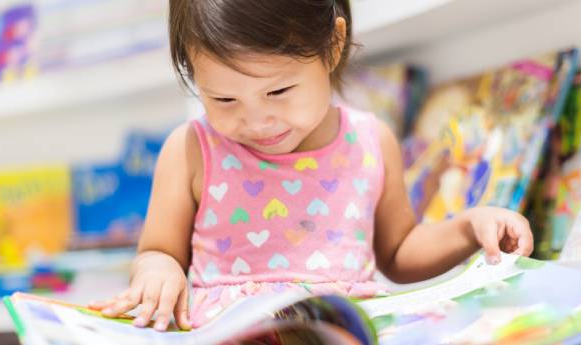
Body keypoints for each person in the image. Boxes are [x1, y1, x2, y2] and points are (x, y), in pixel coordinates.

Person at [89, 0, 533, 331]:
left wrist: (468, 228)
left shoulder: (371, 143)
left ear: (334, 45)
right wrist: (158, 269)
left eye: (278, 91)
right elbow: (157, 251)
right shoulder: (191, 149)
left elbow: (399, 255)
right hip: (233, 334)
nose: (256, 120)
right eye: (224, 99)